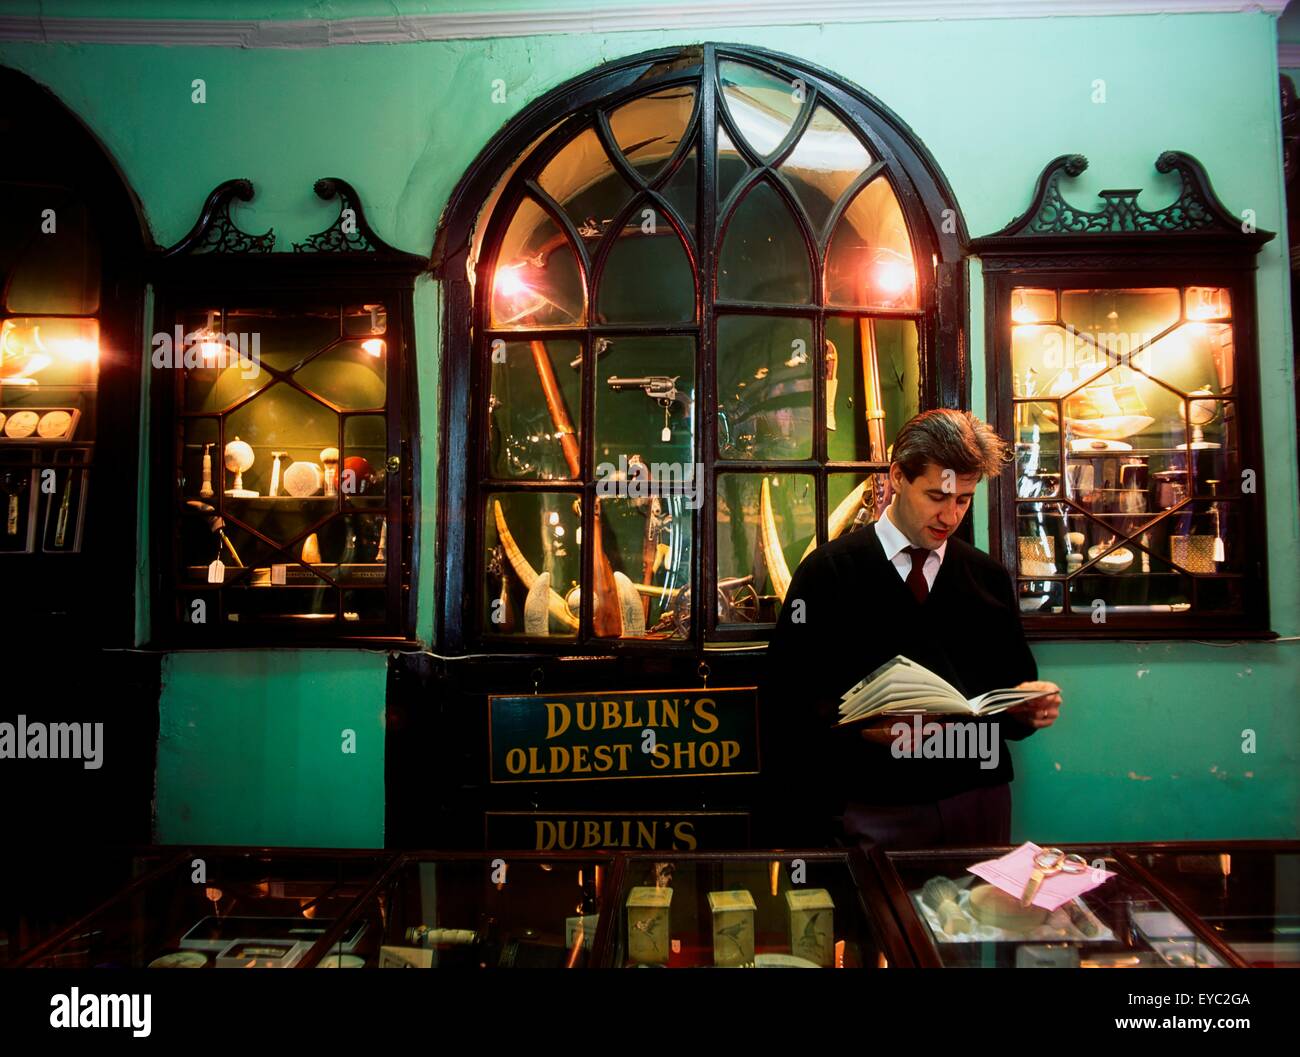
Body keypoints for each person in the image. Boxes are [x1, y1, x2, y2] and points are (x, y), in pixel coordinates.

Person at [760, 409, 1062, 850]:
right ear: (898, 476)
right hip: (873, 806)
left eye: (963, 499)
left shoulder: (987, 576)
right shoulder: (828, 573)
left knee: (977, 921)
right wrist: (867, 728)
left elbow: (1011, 698)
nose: (950, 515)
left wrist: (1030, 710)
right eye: (937, 496)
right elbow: (784, 703)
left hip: (979, 801)